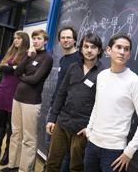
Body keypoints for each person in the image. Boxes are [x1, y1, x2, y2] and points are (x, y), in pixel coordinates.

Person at [82, 33, 138, 172]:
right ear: (108, 50)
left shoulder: (133, 81)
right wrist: (89, 131)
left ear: (129, 54)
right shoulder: (102, 76)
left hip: (114, 151)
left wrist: (129, 151)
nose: (122, 52)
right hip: (92, 145)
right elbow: (97, 105)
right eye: (118, 47)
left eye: (126, 49)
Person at [45, 33, 106, 172]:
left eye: (93, 47)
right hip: (63, 122)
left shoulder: (104, 73)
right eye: (86, 46)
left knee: (76, 168)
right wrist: (52, 118)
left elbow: (103, 105)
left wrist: (91, 128)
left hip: (82, 127)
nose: (89, 50)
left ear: (99, 50)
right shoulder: (73, 67)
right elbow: (61, 94)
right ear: (81, 48)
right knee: (52, 163)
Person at [0, 29, 53, 172]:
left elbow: (35, 79)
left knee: (28, 138)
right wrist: (28, 57)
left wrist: (23, 76)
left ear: (45, 41)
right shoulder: (31, 55)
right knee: (15, 133)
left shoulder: (47, 58)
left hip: (31, 101)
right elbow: (16, 72)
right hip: (17, 98)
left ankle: (25, 169)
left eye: (39, 39)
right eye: (34, 38)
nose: (35, 41)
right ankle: (13, 165)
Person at [0, 31, 30, 165]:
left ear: (25, 40)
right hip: (3, 90)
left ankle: (7, 153)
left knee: (12, 126)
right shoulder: (11, 52)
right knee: (0, 122)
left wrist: (11, 68)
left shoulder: (28, 54)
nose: (15, 40)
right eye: (15, 38)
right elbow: (1, 68)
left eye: (19, 38)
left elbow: (21, 71)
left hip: (16, 93)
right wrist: (13, 67)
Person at [43, 26, 81, 172]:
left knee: (65, 152)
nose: (65, 40)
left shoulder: (79, 59)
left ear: (75, 40)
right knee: (49, 144)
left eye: (69, 37)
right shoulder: (63, 59)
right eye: (63, 38)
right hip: (55, 107)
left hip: (67, 112)